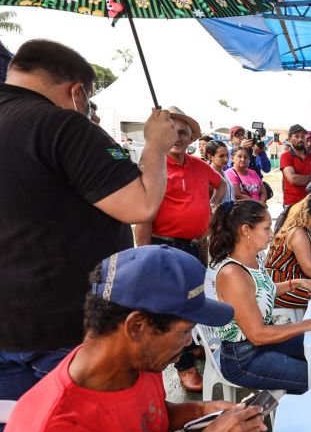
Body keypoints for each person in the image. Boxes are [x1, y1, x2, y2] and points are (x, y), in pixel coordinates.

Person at [0, 245, 269, 432]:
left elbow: (142, 415)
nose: (189, 344)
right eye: (185, 332)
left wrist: (200, 410)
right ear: (137, 327)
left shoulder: (137, 361)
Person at [0, 39, 176, 406]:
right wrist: (156, 147)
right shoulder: (61, 125)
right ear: (77, 90)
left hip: (10, 326)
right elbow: (140, 205)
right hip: (67, 327)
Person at [134, 106, 227, 392]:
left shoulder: (199, 166)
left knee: (195, 301)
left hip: (198, 247)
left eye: (183, 132)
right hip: (165, 248)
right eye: (172, 130)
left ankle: (193, 345)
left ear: (189, 138)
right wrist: (146, 254)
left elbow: (221, 185)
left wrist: (212, 205)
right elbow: (143, 216)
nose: (177, 137)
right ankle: (184, 365)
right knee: (171, 309)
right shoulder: (153, 166)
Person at [207, 200, 311, 393]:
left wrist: (294, 283)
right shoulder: (233, 274)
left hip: (263, 344)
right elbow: (257, 335)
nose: (272, 234)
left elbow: (262, 291)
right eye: (266, 229)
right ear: (246, 230)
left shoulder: (251, 259)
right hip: (244, 359)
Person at [280, 123, 311, 210]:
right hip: (292, 204)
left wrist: (302, 180)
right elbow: (293, 179)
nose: (300, 139)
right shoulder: (286, 156)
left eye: (303, 136)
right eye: (296, 136)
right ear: (289, 138)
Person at [207, 140, 236, 204]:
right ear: (210, 157)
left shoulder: (224, 173)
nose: (226, 159)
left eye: (227, 155)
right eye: (221, 156)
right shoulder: (208, 176)